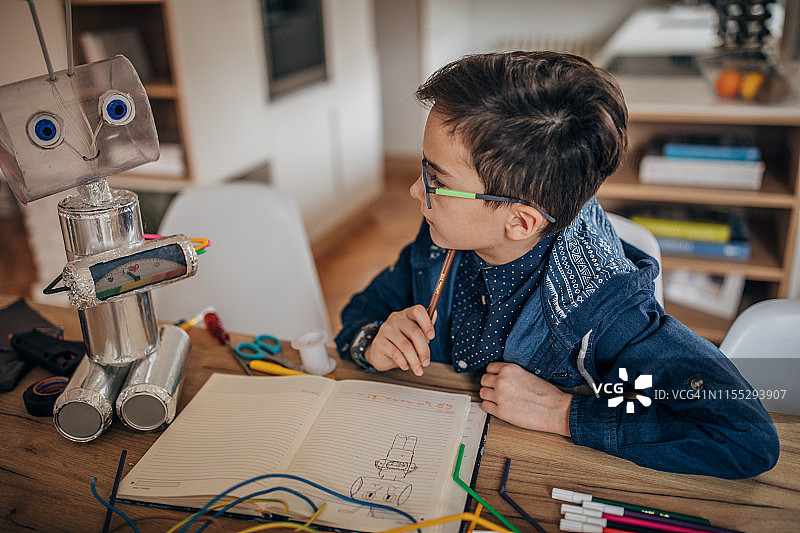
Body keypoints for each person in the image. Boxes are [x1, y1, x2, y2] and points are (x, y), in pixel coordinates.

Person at [334, 51, 779, 479]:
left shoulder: (605, 313)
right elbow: (358, 314)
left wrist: (563, 412)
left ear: (520, 221)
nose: (415, 190)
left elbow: (745, 436)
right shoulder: (441, 240)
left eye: (436, 179)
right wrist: (373, 341)